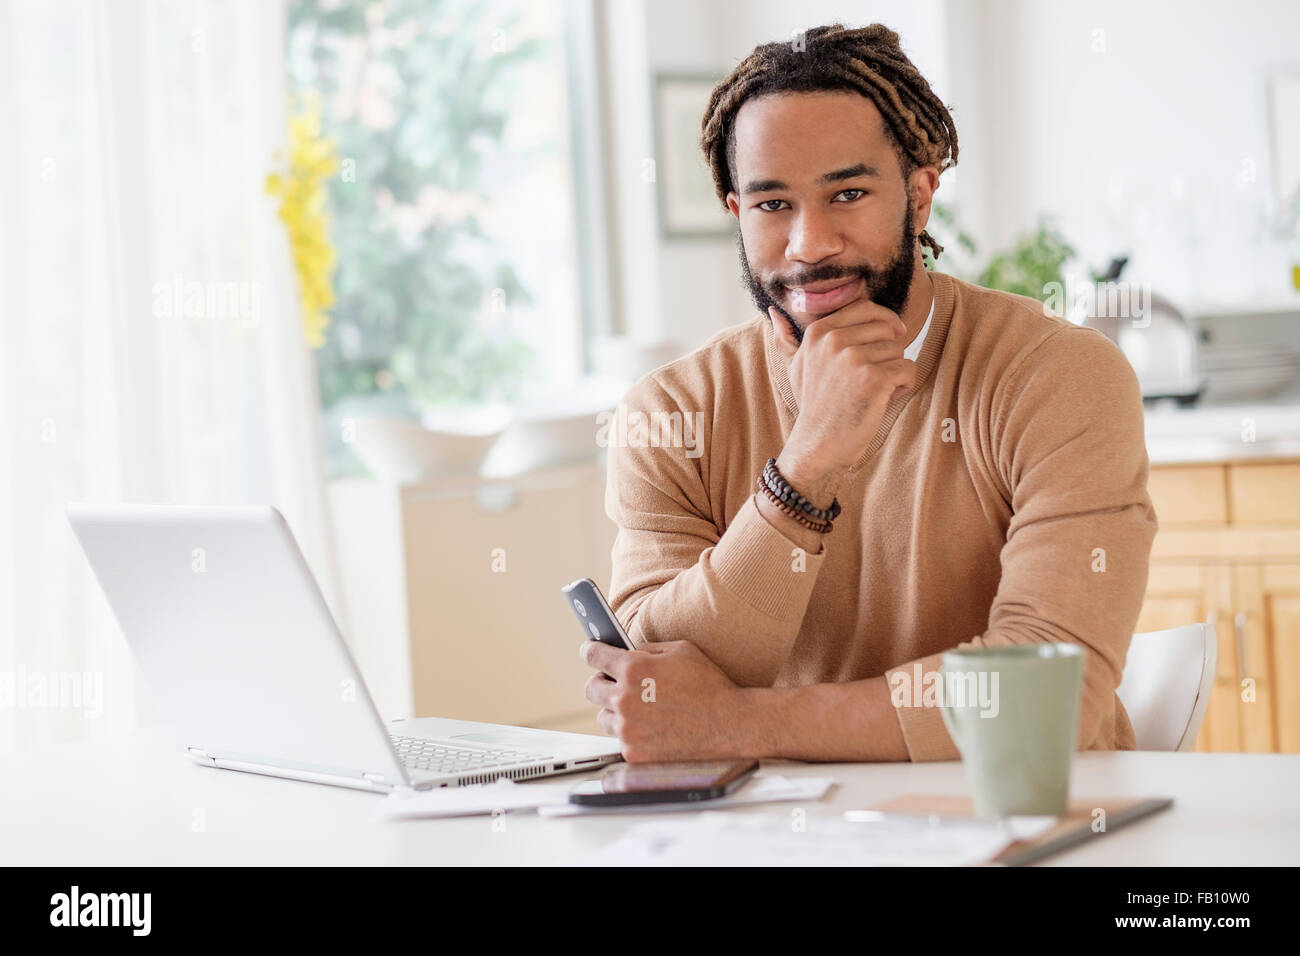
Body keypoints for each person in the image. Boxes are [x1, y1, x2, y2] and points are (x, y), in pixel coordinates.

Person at [580, 23, 1157, 763]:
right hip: (770, 836)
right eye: (772, 204)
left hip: (1023, 826)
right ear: (735, 213)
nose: (809, 244)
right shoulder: (670, 413)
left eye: (847, 193)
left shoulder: (1060, 378)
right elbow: (659, 686)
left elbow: (1050, 697)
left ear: (919, 196)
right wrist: (805, 469)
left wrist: (745, 724)